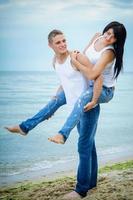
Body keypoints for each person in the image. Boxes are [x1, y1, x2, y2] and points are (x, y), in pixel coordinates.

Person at [5, 30, 102, 137]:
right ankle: (24, 127)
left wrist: (94, 100)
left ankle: (58, 134)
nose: (63, 44)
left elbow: (96, 75)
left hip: (85, 103)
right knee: (54, 101)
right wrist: (52, 107)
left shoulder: (76, 56)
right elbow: (65, 82)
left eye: (64, 41)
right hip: (72, 99)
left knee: (85, 143)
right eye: (58, 42)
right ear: (50, 45)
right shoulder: (55, 61)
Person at [49, 21, 127, 145]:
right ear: (105, 30)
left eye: (113, 37)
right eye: (108, 33)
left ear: (118, 40)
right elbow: (84, 55)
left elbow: (93, 74)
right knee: (59, 97)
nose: (108, 38)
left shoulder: (109, 53)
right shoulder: (97, 36)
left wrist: (74, 61)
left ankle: (63, 134)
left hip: (105, 90)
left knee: (81, 99)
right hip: (91, 84)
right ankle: (30, 124)